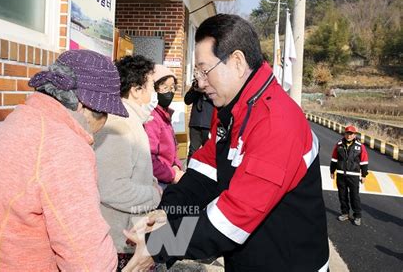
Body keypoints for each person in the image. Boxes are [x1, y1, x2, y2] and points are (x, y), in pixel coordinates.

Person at [123, 14, 329, 272]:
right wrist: (166, 212)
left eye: (204, 70)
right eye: (197, 72)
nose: (199, 82)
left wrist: (157, 246)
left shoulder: (276, 123)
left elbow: (231, 220)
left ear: (238, 62)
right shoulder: (230, 111)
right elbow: (203, 174)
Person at [0, 50, 127, 271]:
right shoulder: (62, 145)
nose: (103, 123)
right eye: (106, 112)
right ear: (84, 107)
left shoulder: (18, 120)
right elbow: (90, 262)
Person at [94, 55, 162, 270]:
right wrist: (154, 195)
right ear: (136, 89)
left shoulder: (132, 121)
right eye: (152, 85)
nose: (155, 93)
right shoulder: (119, 126)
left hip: (130, 235)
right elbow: (111, 188)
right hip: (118, 242)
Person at [144, 65, 184, 188]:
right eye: (165, 88)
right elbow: (149, 158)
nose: (169, 92)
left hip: (168, 174)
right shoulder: (152, 117)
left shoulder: (165, 114)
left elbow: (173, 147)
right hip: (158, 180)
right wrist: (172, 174)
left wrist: (176, 165)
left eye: (172, 88)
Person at [330, 125, 369, 226]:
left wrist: (364, 175)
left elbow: (364, 162)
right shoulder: (338, 145)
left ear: (354, 134)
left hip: (354, 175)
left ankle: (357, 215)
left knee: (354, 196)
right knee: (342, 195)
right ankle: (345, 213)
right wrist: (332, 171)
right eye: (347, 133)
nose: (349, 135)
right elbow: (334, 159)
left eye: (351, 134)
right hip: (341, 175)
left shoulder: (360, 146)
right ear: (345, 133)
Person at [184, 79, 214, 164]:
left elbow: (217, 100)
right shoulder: (196, 84)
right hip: (195, 122)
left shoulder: (213, 83)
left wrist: (205, 91)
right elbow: (187, 100)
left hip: (208, 123)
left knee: (208, 152)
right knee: (193, 151)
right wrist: (195, 89)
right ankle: (189, 172)